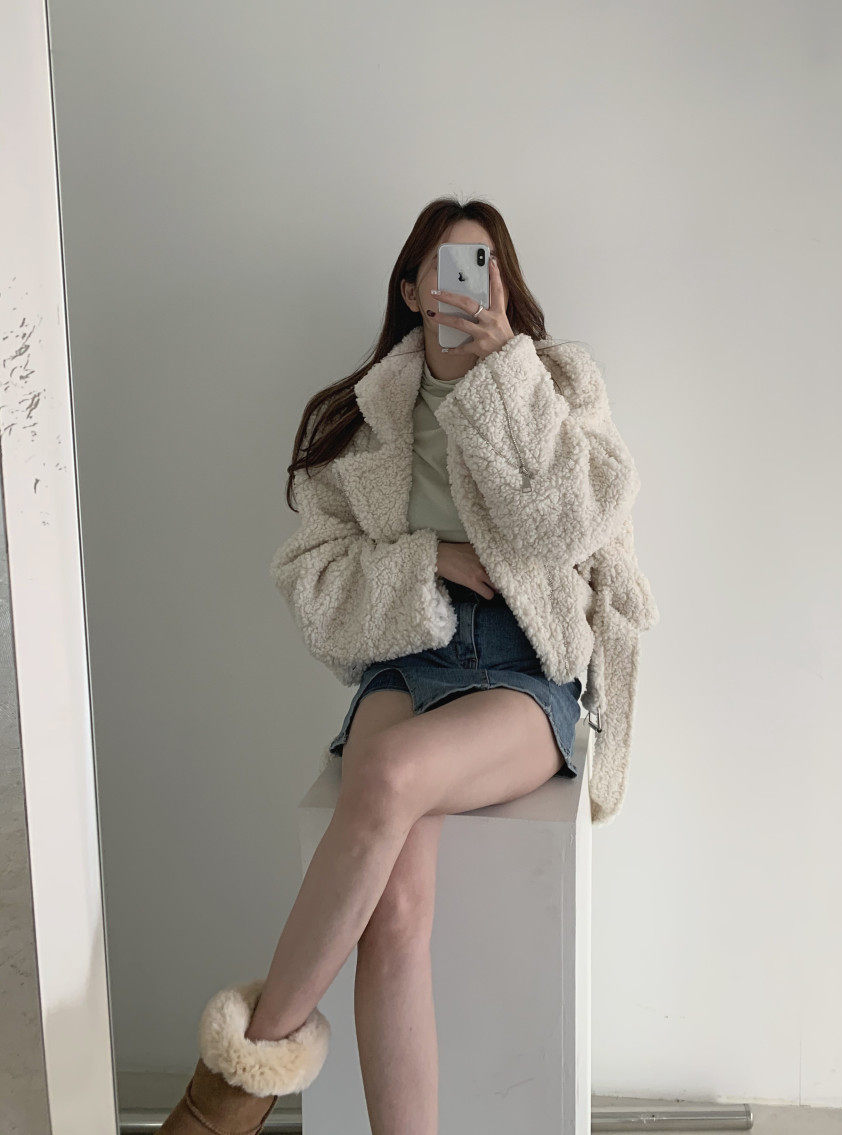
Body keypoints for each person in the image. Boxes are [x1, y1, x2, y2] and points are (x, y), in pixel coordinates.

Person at [159, 197, 658, 1134]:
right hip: (407, 655)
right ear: (411, 289)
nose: (464, 286)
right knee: (391, 914)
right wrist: (428, 561)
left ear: (503, 284)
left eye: (483, 266)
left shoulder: (555, 381)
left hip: (524, 664)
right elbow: (313, 582)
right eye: (445, 267)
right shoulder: (362, 418)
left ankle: (229, 1092)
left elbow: (576, 520)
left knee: (385, 775)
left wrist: (508, 378)